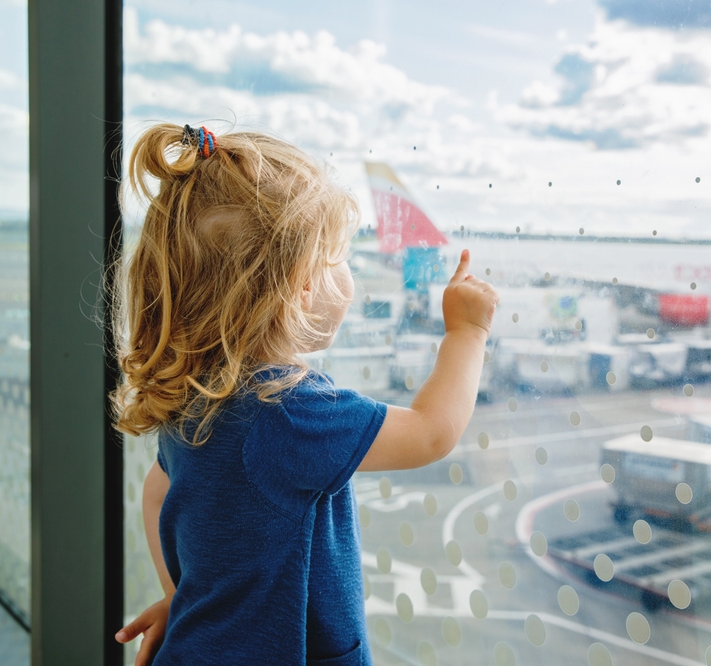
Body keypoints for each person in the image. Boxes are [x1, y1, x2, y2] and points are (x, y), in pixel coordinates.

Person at [111, 123, 499, 665]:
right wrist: (467, 332)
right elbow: (432, 433)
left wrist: (181, 599)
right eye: (339, 258)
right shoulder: (289, 413)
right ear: (302, 284)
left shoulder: (195, 393)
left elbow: (156, 493)